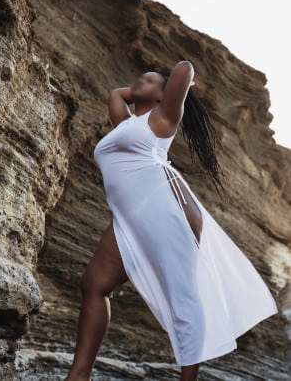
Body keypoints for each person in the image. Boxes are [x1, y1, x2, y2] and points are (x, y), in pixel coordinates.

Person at [64, 61, 278, 381]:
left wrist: (171, 90)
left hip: (165, 206)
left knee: (183, 297)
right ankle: (79, 376)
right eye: (139, 77)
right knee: (95, 284)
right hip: (128, 217)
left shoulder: (162, 119)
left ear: (166, 96)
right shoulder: (125, 123)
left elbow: (185, 68)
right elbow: (115, 94)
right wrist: (143, 89)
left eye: (149, 80)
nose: (139, 80)